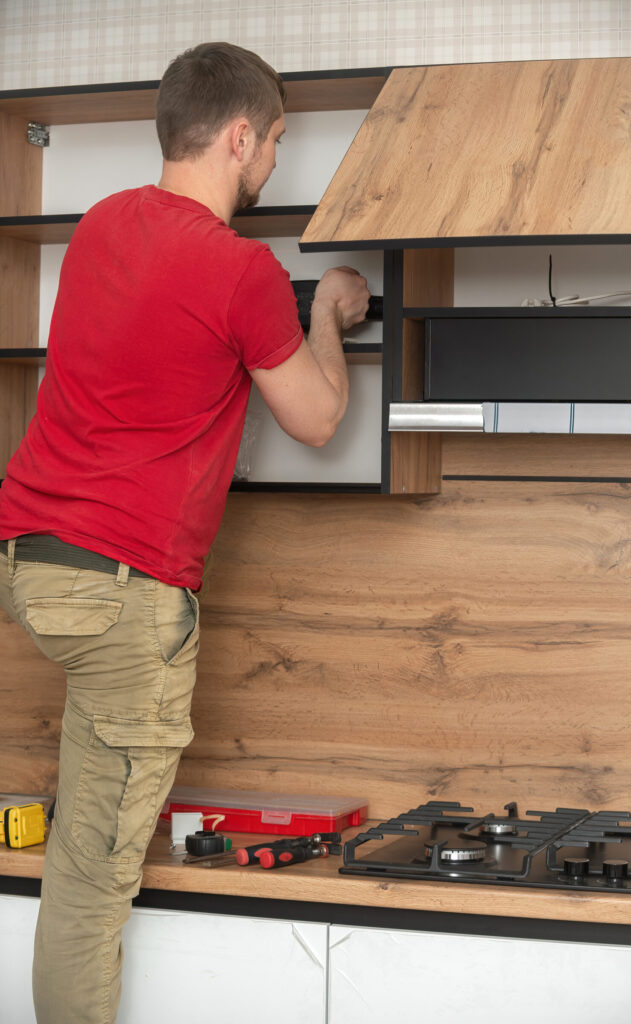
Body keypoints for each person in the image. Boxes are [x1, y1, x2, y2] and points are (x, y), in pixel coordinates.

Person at [0, 40, 369, 1024]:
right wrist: (326, 310)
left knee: (83, 842)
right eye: (278, 141)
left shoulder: (99, 226)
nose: (276, 164)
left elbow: (157, 354)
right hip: (122, 592)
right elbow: (318, 419)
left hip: (32, 559)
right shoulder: (242, 272)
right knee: (88, 878)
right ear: (241, 134)